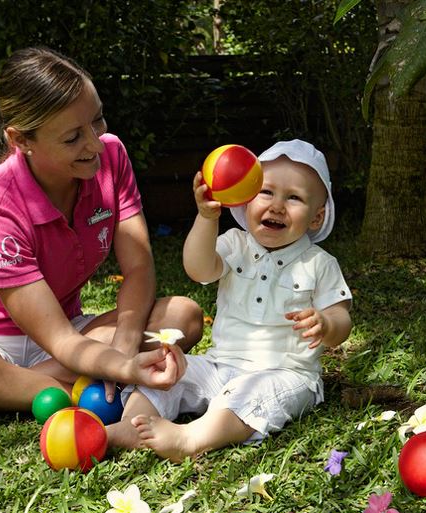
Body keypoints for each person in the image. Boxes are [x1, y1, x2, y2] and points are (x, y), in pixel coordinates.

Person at [0, 47, 203, 430]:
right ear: (21, 139)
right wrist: (121, 365)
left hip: (68, 331)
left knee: (182, 314)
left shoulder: (111, 157)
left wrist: (125, 343)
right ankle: (48, 393)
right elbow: (60, 340)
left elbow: (139, 267)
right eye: (73, 137)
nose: (95, 144)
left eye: (97, 121)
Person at [107, 139, 353, 461]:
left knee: (252, 397)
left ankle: (190, 439)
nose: (277, 205)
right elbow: (198, 268)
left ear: (316, 218)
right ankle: (132, 424)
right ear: (247, 199)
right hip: (220, 364)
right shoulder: (235, 244)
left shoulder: (319, 263)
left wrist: (327, 323)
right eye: (266, 192)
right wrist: (207, 218)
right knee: (170, 368)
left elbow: (342, 319)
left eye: (294, 197)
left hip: (285, 373)